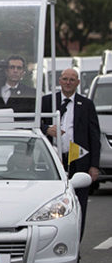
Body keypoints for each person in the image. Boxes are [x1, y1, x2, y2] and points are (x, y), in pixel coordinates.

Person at [41, 68, 100, 240]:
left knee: (79, 204)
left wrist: (94, 166)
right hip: (52, 161)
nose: (68, 82)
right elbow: (35, 124)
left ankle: (75, 244)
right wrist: (46, 129)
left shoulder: (86, 105)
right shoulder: (47, 101)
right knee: (51, 205)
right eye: (65, 79)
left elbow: (94, 136)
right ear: (59, 81)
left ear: (78, 83)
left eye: (72, 79)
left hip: (79, 160)